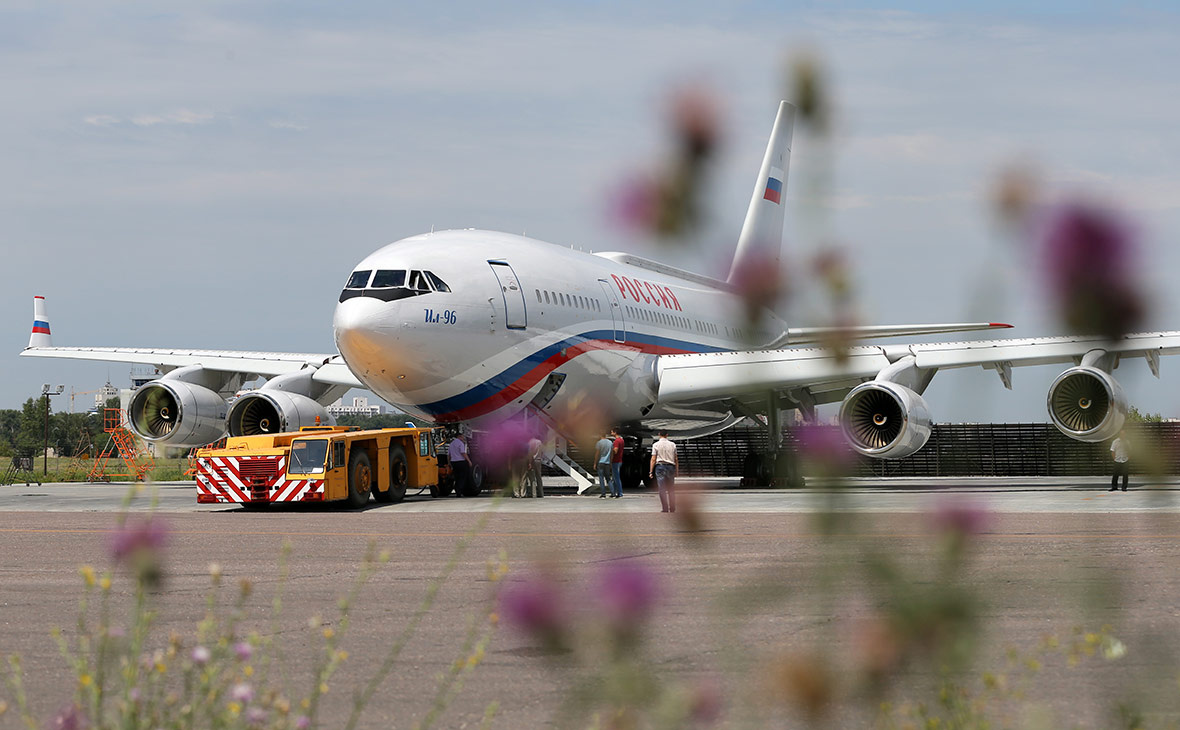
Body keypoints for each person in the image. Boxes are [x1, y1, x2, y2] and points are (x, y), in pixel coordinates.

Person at [649, 430, 678, 513]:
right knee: (671, 489)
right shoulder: (673, 445)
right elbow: (676, 458)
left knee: (662, 488)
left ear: (659, 435)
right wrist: (676, 470)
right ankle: (672, 508)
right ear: (667, 435)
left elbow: (653, 459)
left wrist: (651, 471)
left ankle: (665, 508)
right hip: (670, 466)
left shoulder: (655, 445)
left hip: (660, 466)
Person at [448, 432, 471, 497]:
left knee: (457, 476)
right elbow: (463, 453)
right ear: (459, 436)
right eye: (462, 437)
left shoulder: (451, 444)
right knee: (462, 477)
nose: (463, 438)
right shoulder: (461, 443)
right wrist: (469, 461)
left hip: (454, 462)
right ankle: (459, 489)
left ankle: (456, 488)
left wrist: (449, 463)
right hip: (460, 462)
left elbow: (449, 455)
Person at [594, 431, 614, 498]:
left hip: (601, 462)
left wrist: (595, 463)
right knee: (608, 478)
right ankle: (612, 492)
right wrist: (611, 462)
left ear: (600, 435)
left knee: (601, 478)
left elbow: (597, 454)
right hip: (607, 463)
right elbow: (611, 454)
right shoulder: (610, 442)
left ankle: (603, 493)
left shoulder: (599, 443)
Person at [609, 428, 624, 499]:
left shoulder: (616, 441)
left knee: (616, 478)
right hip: (619, 460)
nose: (611, 433)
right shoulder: (621, 440)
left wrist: (611, 452)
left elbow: (615, 450)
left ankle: (620, 492)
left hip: (616, 461)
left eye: (612, 432)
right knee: (614, 478)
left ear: (615, 432)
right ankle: (614, 492)